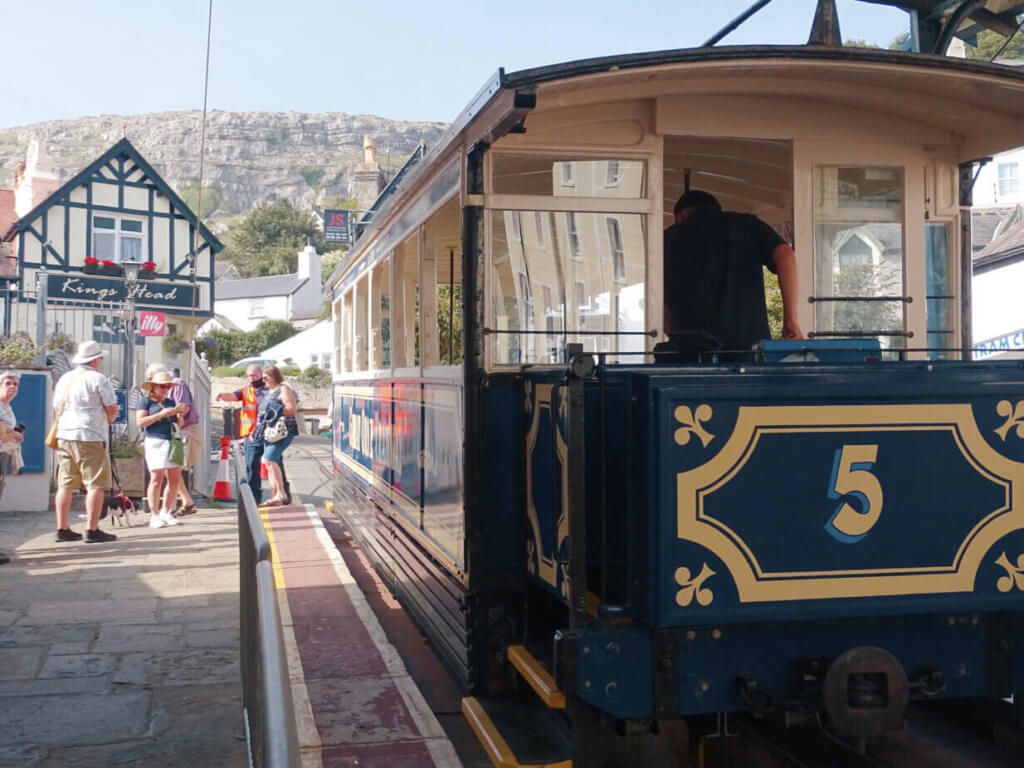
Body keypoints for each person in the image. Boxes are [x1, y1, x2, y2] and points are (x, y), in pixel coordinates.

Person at [662, 190, 804, 359]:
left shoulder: (670, 238)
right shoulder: (748, 226)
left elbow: (662, 302)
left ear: (680, 216)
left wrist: (675, 334)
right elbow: (785, 254)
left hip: (692, 353)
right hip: (749, 349)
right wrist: (791, 319)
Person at [52, 340, 119, 543]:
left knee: (65, 483)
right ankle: (92, 528)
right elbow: (112, 409)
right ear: (96, 359)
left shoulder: (65, 378)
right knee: (95, 483)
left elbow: (57, 408)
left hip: (64, 434)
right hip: (90, 435)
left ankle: (62, 527)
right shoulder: (98, 379)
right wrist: (108, 419)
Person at [216, 364, 290, 504]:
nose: (251, 378)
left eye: (254, 375)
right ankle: (253, 499)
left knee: (274, 462)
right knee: (251, 465)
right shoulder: (246, 390)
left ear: (261, 375)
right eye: (249, 375)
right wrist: (222, 396)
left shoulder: (271, 389)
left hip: (269, 432)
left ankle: (283, 493)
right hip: (252, 434)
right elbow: (233, 396)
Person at [137, 370, 188, 529]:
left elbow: (178, 424)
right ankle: (154, 514)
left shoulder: (170, 402)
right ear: (153, 387)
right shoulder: (145, 402)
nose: (165, 390)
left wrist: (180, 414)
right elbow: (141, 422)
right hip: (155, 440)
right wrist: (161, 414)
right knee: (156, 478)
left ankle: (166, 511)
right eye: (162, 387)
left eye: (167, 387)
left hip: (171, 440)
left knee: (174, 478)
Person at [255, 365, 297, 507]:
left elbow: (291, 408)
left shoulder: (283, 389)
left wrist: (276, 411)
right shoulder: (270, 391)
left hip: (282, 431)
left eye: (266, 378)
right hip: (270, 433)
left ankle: (281, 494)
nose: (264, 381)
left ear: (274, 377)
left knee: (269, 459)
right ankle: (276, 494)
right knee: (270, 461)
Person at [0, 373, 25, 564]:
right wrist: (13, 434)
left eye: (15, 384)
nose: (12, 386)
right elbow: (3, 436)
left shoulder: (7, 407)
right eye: (8, 383)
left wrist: (12, 433)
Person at [168, 373, 199, 516]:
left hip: (185, 429)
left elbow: (183, 408)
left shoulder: (177, 384)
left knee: (175, 467)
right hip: (177, 430)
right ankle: (186, 502)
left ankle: (171, 507)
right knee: (173, 468)